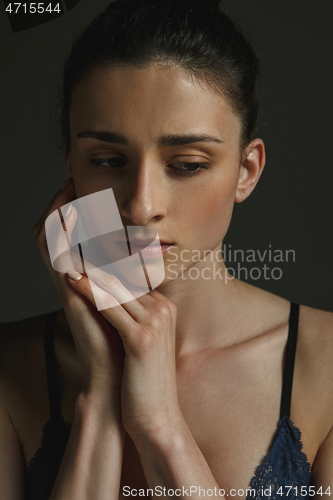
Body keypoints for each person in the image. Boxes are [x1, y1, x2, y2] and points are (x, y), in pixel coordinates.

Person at [1, 0, 332, 498]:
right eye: (109, 159)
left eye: (188, 164)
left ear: (246, 171)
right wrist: (101, 385)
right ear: (71, 163)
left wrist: (159, 422)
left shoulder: (326, 363)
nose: (141, 205)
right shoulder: (9, 369)